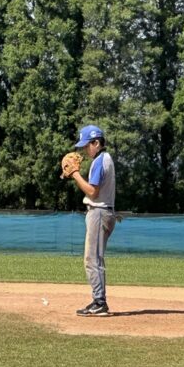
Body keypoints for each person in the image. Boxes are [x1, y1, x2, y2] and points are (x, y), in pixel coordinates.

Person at [66, 125, 116, 316]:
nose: (85, 150)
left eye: (87, 145)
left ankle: (99, 302)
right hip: (104, 211)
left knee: (92, 259)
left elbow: (92, 192)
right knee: (95, 257)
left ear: (96, 142)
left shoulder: (99, 161)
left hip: (99, 212)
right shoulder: (107, 158)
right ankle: (98, 300)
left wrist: (75, 174)